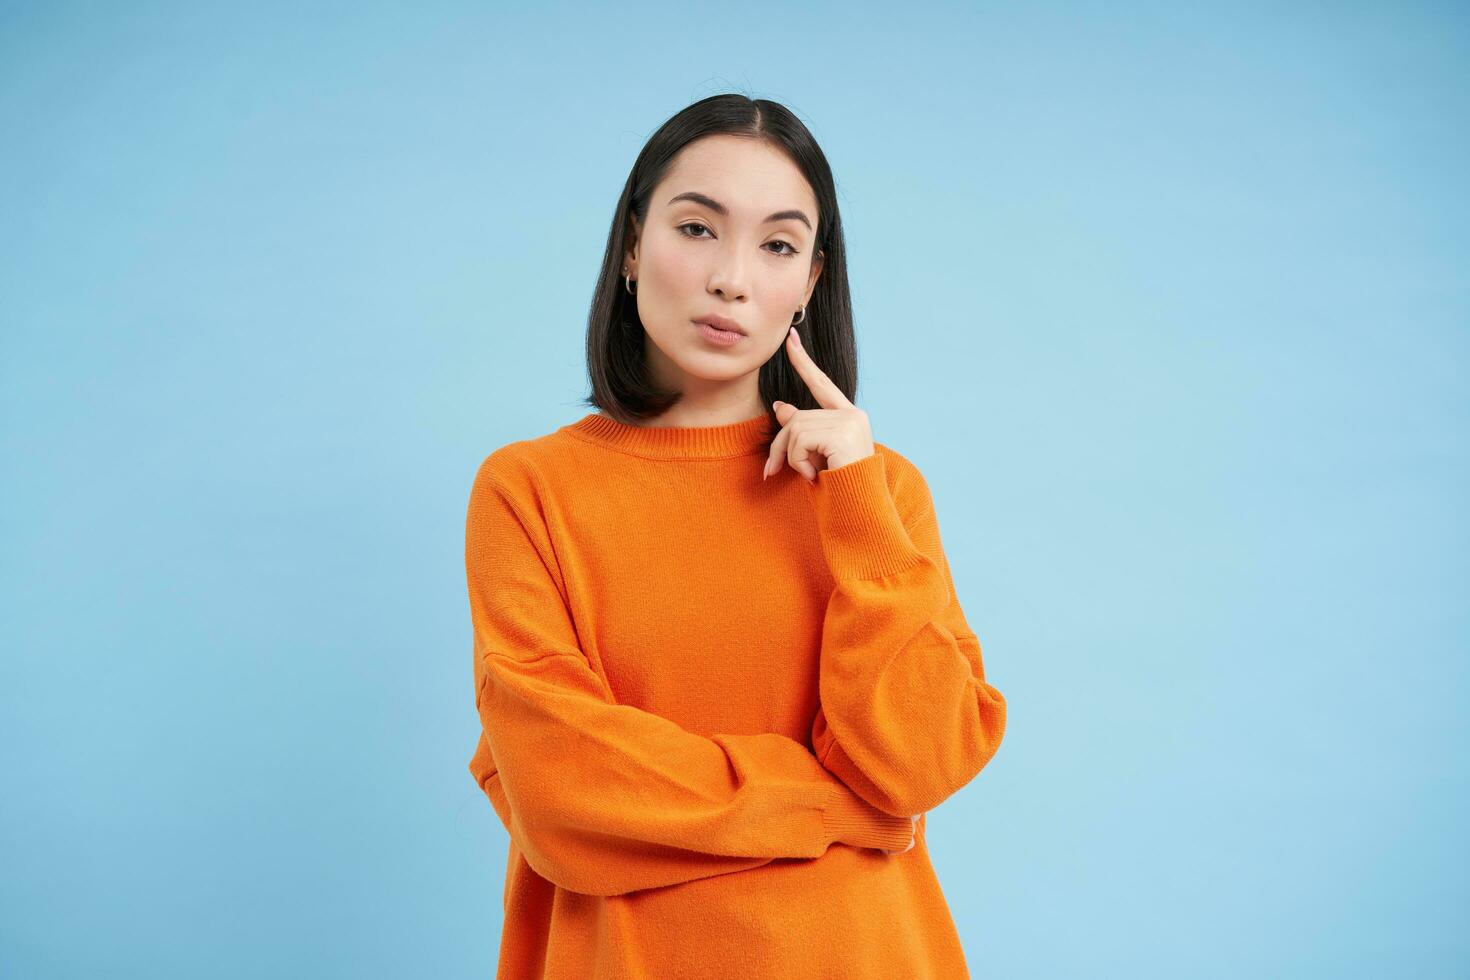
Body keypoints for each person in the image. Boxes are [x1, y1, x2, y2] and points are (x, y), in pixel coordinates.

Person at [464, 93, 1007, 979]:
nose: (733, 279)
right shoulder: (531, 490)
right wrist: (833, 808)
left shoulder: (878, 494)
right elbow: (562, 793)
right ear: (633, 244)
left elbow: (921, 762)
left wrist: (859, 508)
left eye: (779, 245)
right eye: (697, 229)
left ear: (811, 284)